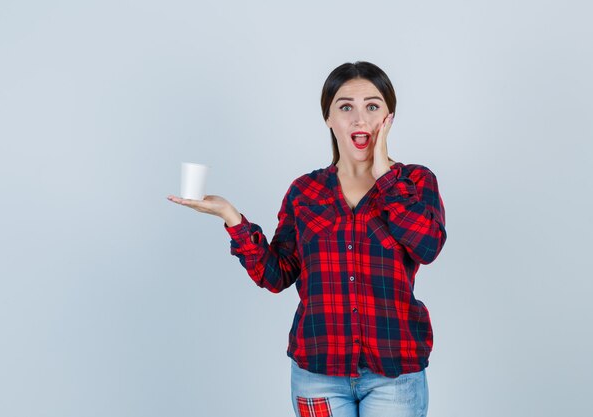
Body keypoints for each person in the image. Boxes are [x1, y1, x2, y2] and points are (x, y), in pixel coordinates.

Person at [167, 61, 447, 417]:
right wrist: (232, 218)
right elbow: (277, 275)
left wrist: (383, 174)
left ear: (389, 117)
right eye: (346, 107)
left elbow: (428, 246)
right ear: (328, 118)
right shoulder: (305, 192)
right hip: (317, 374)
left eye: (372, 106)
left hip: (395, 373)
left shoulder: (415, 182)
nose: (360, 120)